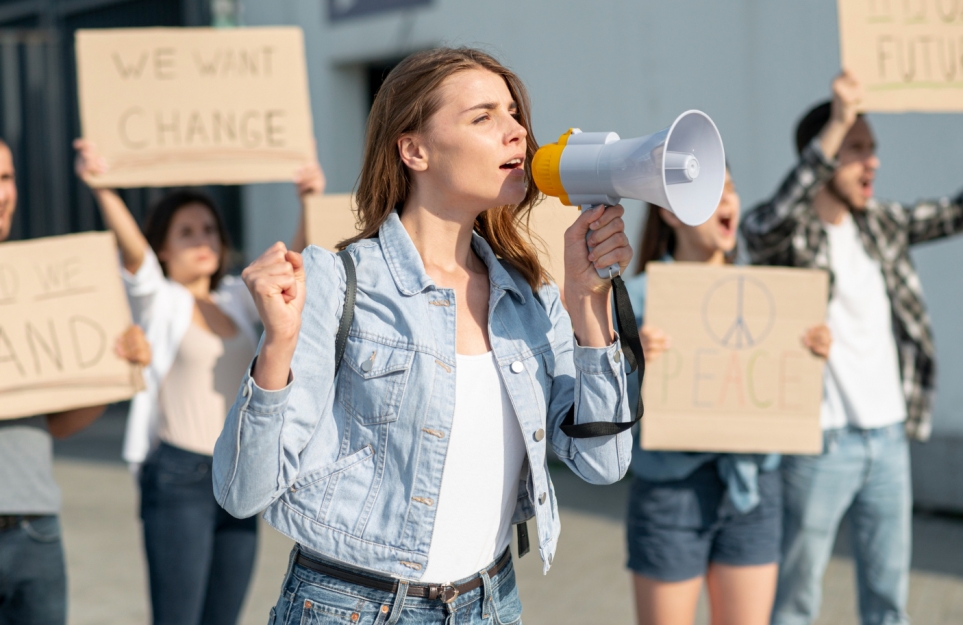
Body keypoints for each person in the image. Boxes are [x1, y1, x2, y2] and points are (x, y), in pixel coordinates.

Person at [213, 47, 635, 624]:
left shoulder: (532, 298)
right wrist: (278, 346)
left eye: (514, 113)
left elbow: (603, 462)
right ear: (414, 150)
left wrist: (589, 304)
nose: (517, 132)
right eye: (483, 117)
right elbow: (242, 491)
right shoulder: (336, 282)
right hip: (351, 607)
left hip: (489, 603)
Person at [741, 71, 963, 625]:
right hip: (820, 443)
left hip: (890, 439)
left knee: (889, 600)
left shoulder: (880, 225)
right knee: (796, 600)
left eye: (873, 149)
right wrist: (839, 119)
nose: (873, 162)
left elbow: (953, 211)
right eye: (857, 149)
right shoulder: (791, 235)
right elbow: (761, 225)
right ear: (824, 155)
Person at [74, 140, 324, 625]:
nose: (203, 239)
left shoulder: (235, 297)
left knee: (222, 617)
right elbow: (136, 258)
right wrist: (100, 186)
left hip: (237, 473)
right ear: (163, 246)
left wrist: (308, 199)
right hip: (178, 478)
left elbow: (294, 270)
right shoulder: (160, 300)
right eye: (186, 232)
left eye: (209, 228)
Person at [623, 169, 831, 625]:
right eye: (710, 193)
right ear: (667, 213)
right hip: (671, 490)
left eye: (731, 189)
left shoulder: (773, 295)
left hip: (754, 488)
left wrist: (809, 353)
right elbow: (606, 408)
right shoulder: (635, 299)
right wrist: (630, 364)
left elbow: (786, 393)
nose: (727, 201)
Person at [0, 138, 151, 625]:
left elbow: (60, 425)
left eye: (5, 178)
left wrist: (114, 371)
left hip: (34, 530)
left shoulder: (32, 290)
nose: (2, 192)